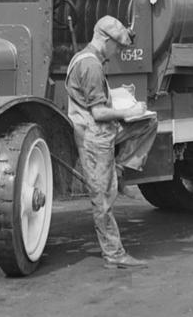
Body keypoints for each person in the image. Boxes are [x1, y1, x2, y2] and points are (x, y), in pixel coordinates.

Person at [65, 16, 158, 269]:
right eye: (117, 46)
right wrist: (129, 111)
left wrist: (117, 99)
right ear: (105, 41)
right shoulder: (92, 67)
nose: (117, 52)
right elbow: (98, 113)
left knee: (149, 123)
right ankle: (114, 255)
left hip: (99, 133)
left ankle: (119, 167)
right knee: (103, 200)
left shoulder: (84, 58)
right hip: (95, 138)